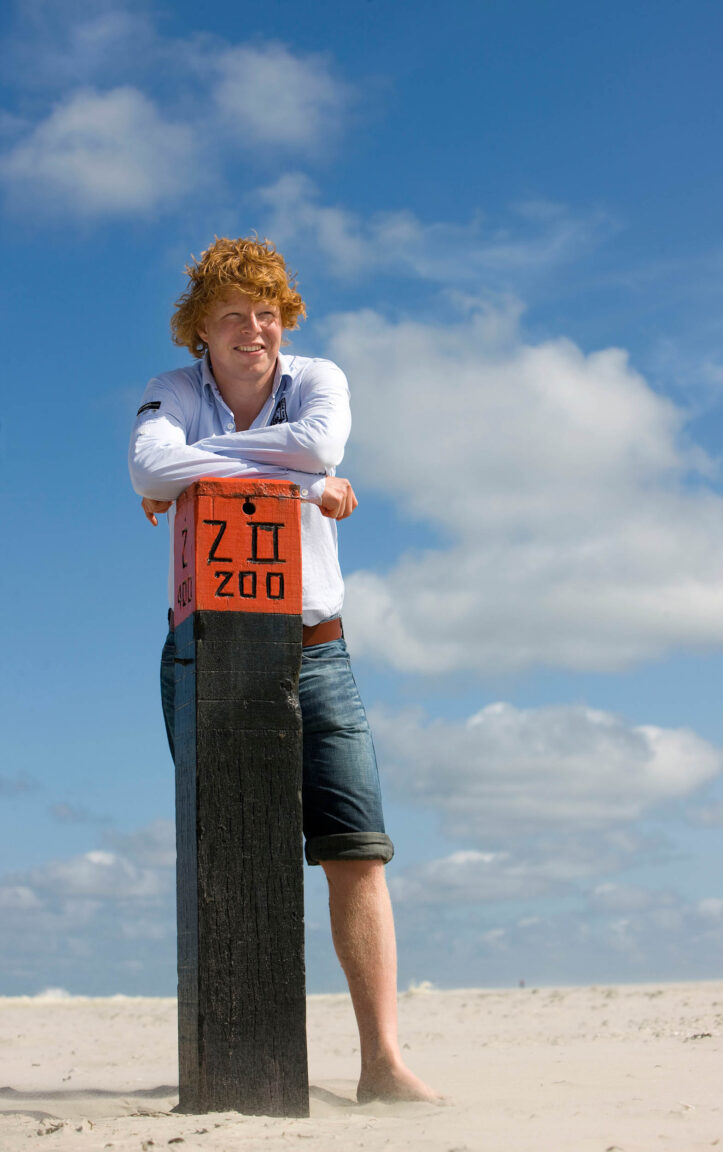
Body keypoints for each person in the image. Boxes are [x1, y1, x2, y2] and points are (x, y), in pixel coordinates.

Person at [128, 234, 439, 1104]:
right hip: (208, 654)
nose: (253, 330)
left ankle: (382, 1062)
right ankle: (235, 1064)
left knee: (357, 851)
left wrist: (223, 477)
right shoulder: (173, 391)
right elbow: (149, 463)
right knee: (230, 848)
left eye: (266, 313)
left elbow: (314, 444)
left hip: (317, 648)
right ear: (202, 329)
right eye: (233, 315)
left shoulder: (319, 379)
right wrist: (305, 484)